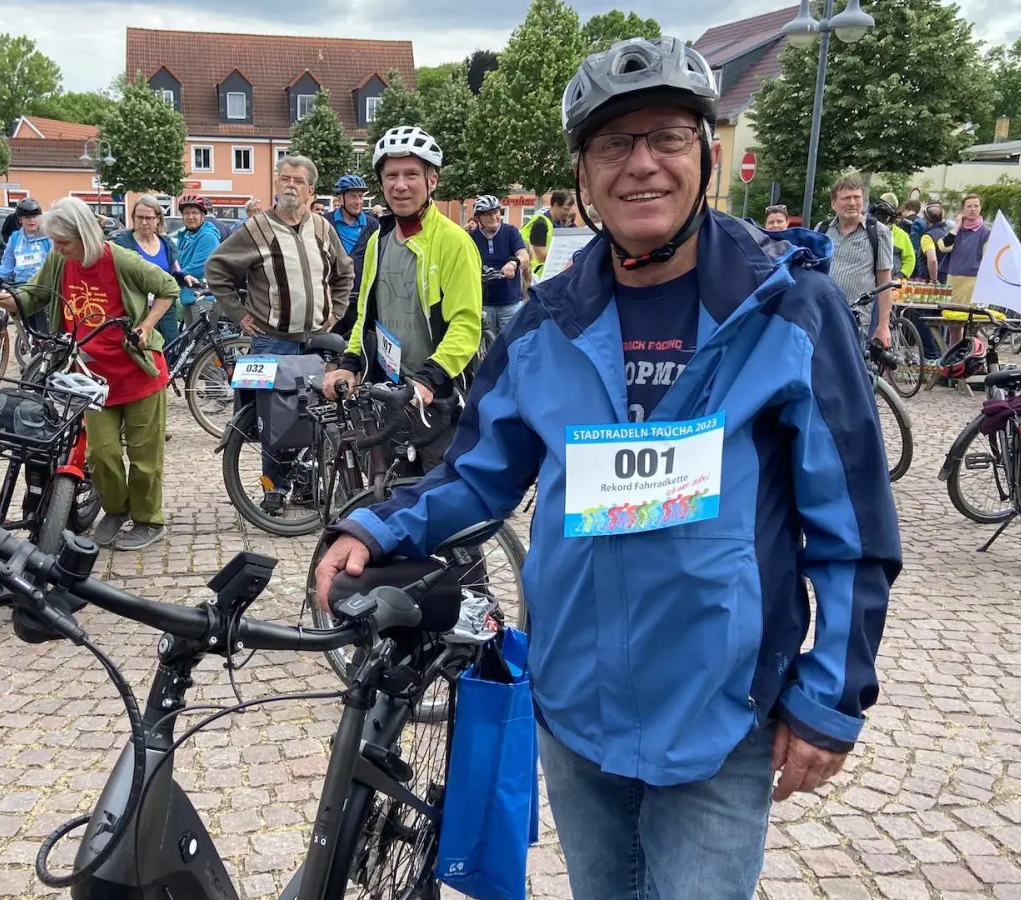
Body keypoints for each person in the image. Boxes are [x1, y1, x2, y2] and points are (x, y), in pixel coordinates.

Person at [313, 37, 899, 900]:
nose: (642, 164)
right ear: (583, 174)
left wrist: (833, 695)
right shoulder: (549, 320)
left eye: (667, 136)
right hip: (577, 705)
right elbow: (478, 473)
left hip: (721, 710)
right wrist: (374, 524)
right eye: (613, 144)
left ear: (705, 153)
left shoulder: (789, 307)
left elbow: (852, 526)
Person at [14, 198, 179, 551]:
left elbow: (168, 287)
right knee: (101, 453)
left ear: (84, 236)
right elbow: (33, 296)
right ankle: (117, 509)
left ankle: (149, 520)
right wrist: (3, 298)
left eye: (63, 242)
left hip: (137, 373)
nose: (56, 249)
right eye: (55, 242)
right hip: (90, 377)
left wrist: (146, 326)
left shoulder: (120, 259)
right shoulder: (59, 260)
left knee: (144, 457)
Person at [319, 126, 482, 470]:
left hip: (438, 397)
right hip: (389, 394)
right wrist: (349, 364)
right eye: (391, 176)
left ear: (432, 181)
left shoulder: (454, 242)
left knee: (439, 495)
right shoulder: (378, 241)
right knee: (389, 491)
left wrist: (428, 379)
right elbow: (366, 316)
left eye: (411, 174)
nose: (400, 185)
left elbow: (466, 325)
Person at [208, 155, 355, 509]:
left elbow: (344, 273)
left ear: (311, 190)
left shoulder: (323, 228)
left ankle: (308, 484)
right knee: (273, 419)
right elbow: (217, 269)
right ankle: (274, 487)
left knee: (317, 415)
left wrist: (336, 310)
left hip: (316, 342)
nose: (290, 185)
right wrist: (239, 312)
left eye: (297, 181)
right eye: (284, 178)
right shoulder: (256, 228)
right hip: (272, 340)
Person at [819, 173, 895, 347]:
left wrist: (883, 326)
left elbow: (885, 282)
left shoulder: (879, 232)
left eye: (856, 197)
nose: (852, 203)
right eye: (846, 198)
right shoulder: (822, 230)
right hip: (822, 317)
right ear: (833, 203)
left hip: (857, 321)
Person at [113, 198, 184, 346]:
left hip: (165, 310)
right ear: (133, 217)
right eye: (139, 217)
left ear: (158, 219)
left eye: (149, 218)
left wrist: (185, 277)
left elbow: (174, 272)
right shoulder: (122, 243)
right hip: (136, 310)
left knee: (171, 349)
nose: (144, 222)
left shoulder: (167, 243)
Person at [0, 198, 50, 327]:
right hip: (21, 289)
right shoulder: (15, 238)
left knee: (44, 330)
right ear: (20, 219)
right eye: (27, 217)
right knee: (26, 328)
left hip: (43, 290)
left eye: (35, 216)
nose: (32, 220)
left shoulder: (48, 236)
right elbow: (7, 267)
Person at [468, 194, 531, 338]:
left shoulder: (510, 232)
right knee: (485, 343)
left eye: (496, 212)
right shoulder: (472, 238)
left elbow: (524, 255)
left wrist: (513, 263)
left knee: (512, 341)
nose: (493, 217)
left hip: (510, 302)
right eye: (488, 214)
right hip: (484, 303)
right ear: (478, 218)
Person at [325, 175, 379, 338]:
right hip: (332, 301)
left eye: (361, 196)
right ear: (340, 198)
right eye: (353, 196)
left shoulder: (373, 225)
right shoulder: (325, 223)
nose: (358, 201)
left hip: (362, 302)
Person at [173, 195, 221, 328]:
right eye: (186, 213)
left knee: (200, 339)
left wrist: (171, 277)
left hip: (203, 297)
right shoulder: (185, 236)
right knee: (190, 337)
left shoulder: (208, 237)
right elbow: (177, 262)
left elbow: (197, 268)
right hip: (188, 295)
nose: (190, 217)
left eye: (194, 213)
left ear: (203, 216)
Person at [937, 193, 991, 306]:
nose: (973, 209)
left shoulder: (986, 233)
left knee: (969, 313)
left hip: (973, 280)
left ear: (980, 208)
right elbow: (944, 247)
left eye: (976, 206)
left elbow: (987, 259)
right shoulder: (956, 230)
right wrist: (957, 226)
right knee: (951, 313)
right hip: (953, 278)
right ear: (963, 209)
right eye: (969, 206)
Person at [522, 189, 578, 279]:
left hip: (548, 273)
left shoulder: (558, 224)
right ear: (555, 205)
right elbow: (541, 256)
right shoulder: (540, 223)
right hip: (537, 275)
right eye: (565, 209)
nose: (568, 213)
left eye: (569, 209)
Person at [867, 196, 915, 280]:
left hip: (893, 280)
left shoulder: (901, 235)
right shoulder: (867, 232)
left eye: (884, 214)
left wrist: (902, 274)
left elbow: (910, 258)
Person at [915, 202, 947, 284]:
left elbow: (932, 260)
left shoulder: (927, 237)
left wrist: (934, 279)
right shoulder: (947, 234)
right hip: (945, 279)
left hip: (929, 281)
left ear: (926, 219)